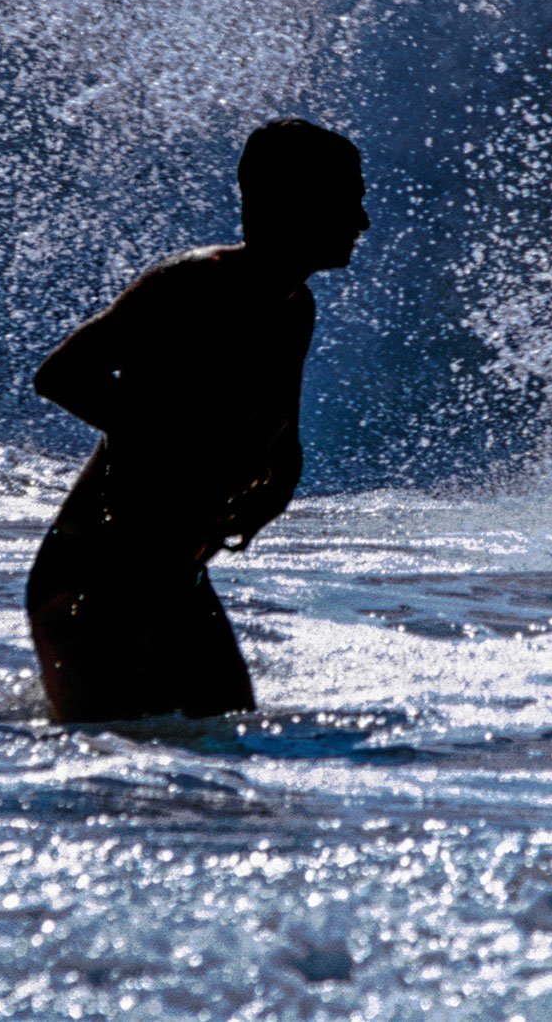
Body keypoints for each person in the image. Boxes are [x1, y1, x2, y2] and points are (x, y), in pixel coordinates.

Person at [26, 119, 369, 722]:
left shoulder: (294, 304)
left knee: (227, 740)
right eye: (348, 201)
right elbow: (63, 375)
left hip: (173, 576)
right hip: (92, 580)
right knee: (126, 770)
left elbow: (281, 429)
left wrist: (275, 486)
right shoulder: (194, 284)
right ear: (290, 202)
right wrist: (170, 447)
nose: (361, 222)